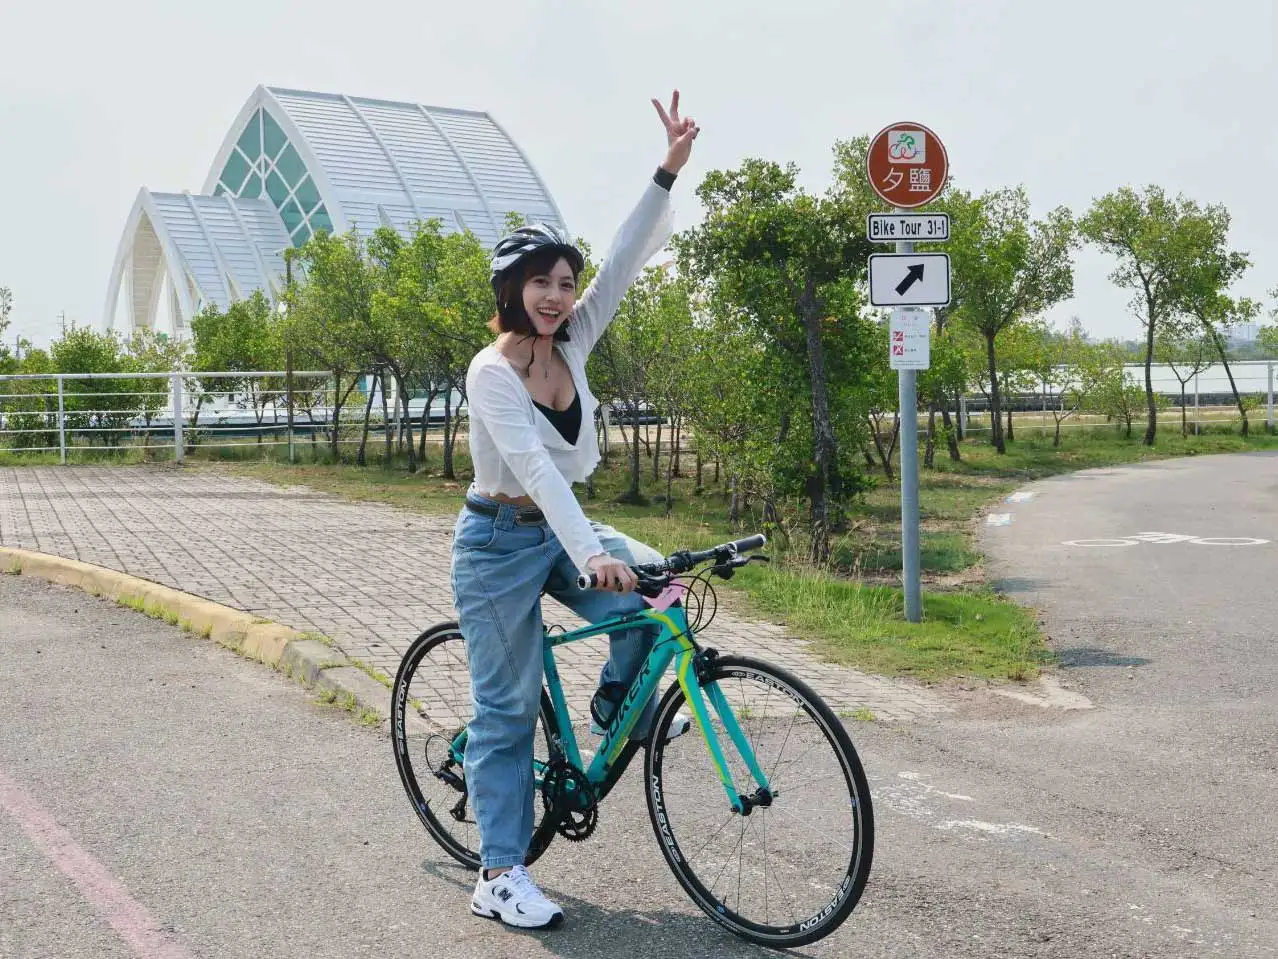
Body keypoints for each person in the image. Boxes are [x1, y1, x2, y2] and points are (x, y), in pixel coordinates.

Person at [452, 91, 700, 930]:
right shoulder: (491, 371)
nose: (557, 296)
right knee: (507, 710)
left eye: (564, 282)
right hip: (497, 544)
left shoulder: (574, 342)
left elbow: (624, 259)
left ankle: (611, 705)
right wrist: (593, 552)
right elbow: (532, 466)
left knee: (660, 591)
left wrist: (665, 172)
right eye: (541, 283)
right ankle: (498, 872)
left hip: (562, 530)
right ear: (512, 289)